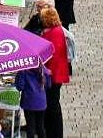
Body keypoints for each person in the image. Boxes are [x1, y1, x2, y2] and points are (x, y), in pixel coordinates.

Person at [39, 8, 70, 138]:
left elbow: (53, 55)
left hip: (54, 75)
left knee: (52, 105)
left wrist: (46, 71)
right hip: (55, 73)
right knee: (52, 104)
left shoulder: (55, 33)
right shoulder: (55, 30)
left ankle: (55, 133)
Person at [15, 64, 49, 138]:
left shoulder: (23, 70)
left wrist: (19, 73)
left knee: (30, 127)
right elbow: (48, 84)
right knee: (40, 127)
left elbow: (19, 86)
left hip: (28, 103)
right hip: (41, 103)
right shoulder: (42, 68)